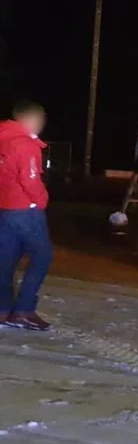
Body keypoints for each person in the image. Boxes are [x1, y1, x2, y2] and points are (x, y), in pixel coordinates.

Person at [0, 100, 53, 330]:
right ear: (31, 120)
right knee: (42, 255)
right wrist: (41, 200)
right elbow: (30, 178)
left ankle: (2, 310)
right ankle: (23, 310)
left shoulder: (3, 139)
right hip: (25, 210)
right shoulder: (25, 144)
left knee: (6, 260)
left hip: (5, 209)